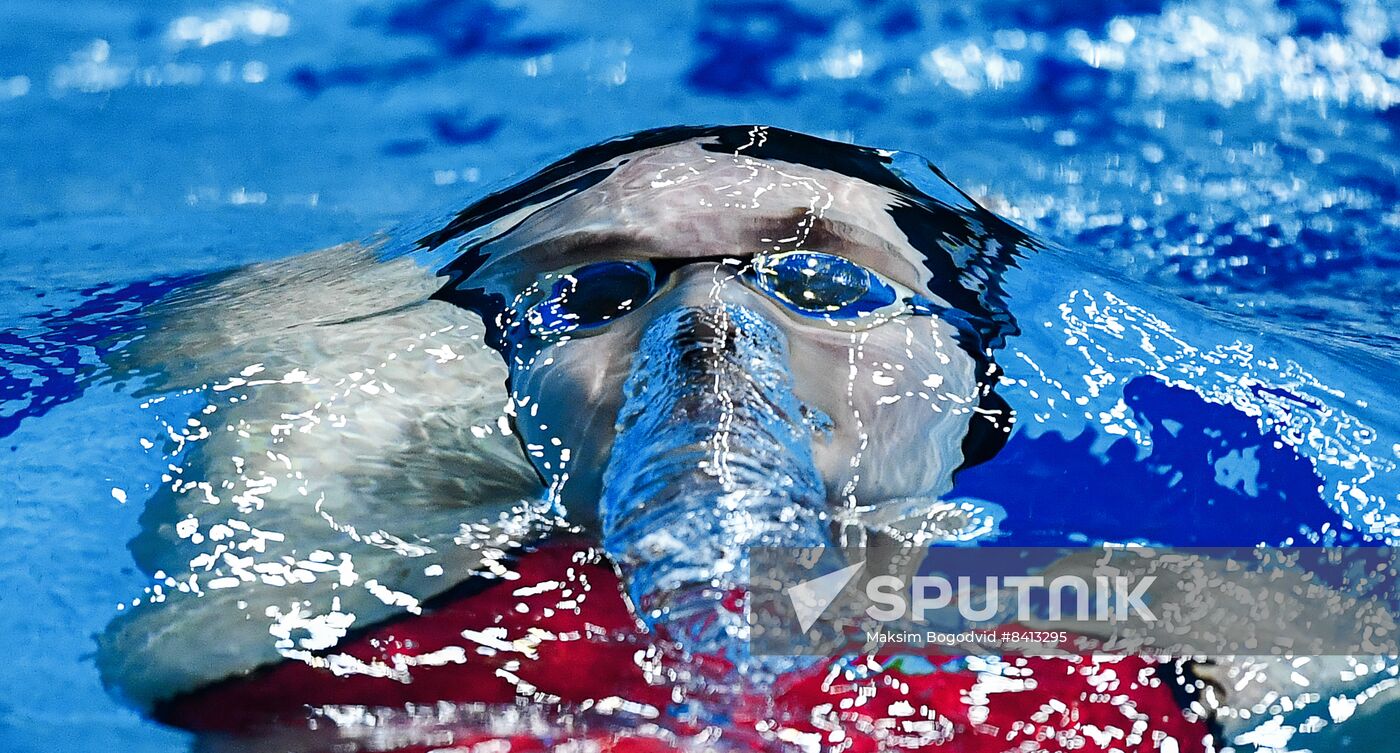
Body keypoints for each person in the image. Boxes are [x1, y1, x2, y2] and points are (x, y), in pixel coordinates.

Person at [100, 126, 1394, 751]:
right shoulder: (348, 624)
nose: (713, 333)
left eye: (825, 280)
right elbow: (256, 331)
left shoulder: (1091, 613)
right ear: (502, 397)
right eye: (599, 292)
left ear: (977, 383)